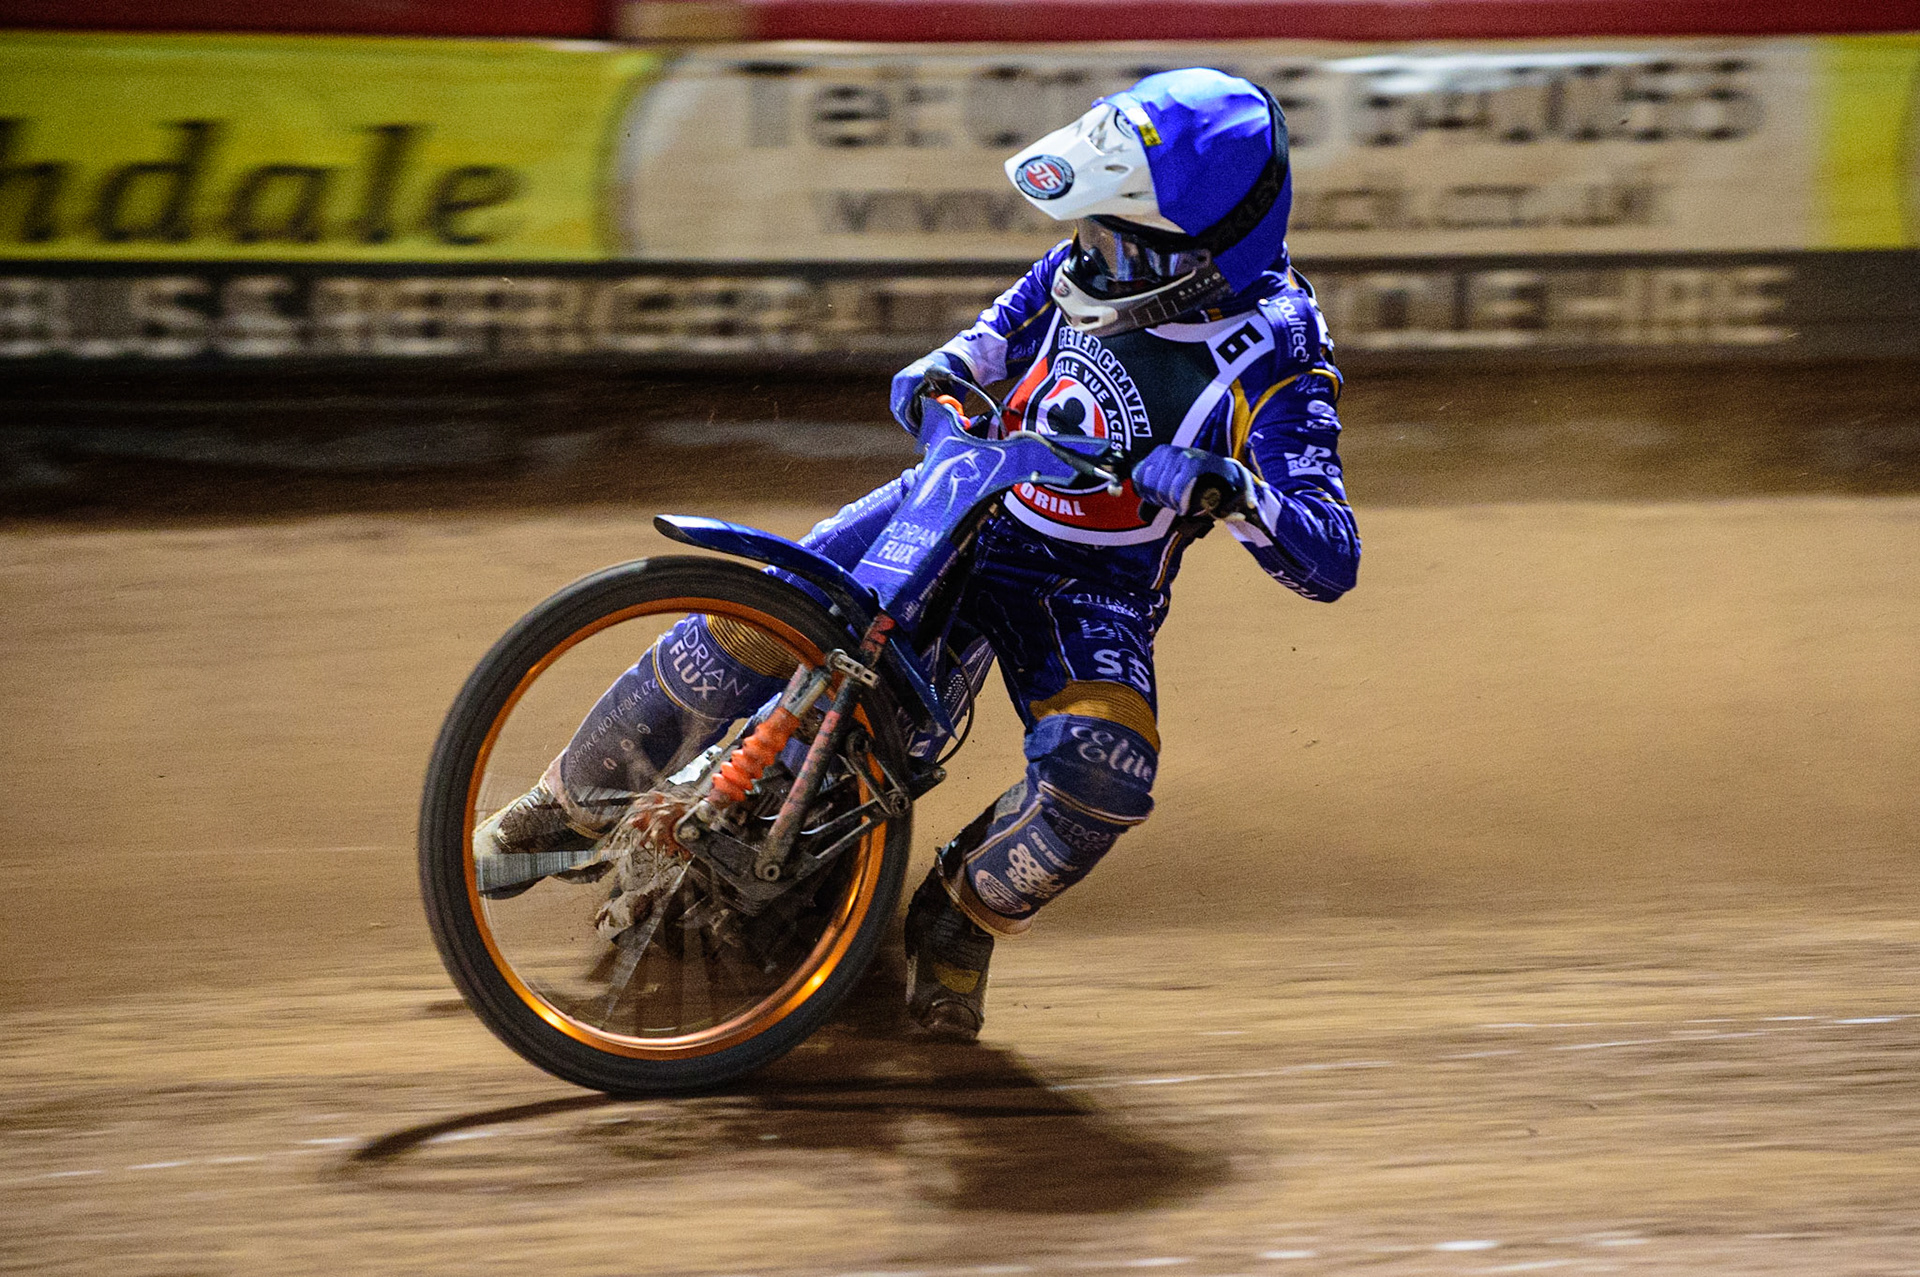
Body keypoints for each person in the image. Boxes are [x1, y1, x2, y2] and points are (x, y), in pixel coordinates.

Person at [476, 68, 1360, 1040]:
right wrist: (940, 376)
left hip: (1087, 586)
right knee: (762, 611)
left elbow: (1328, 553)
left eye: (1115, 235)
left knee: (1105, 773)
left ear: (1196, 251)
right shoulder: (1079, 272)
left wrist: (1228, 489)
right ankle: (571, 802)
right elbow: (981, 345)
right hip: (963, 494)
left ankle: (960, 911)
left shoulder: (1278, 348)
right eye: (1088, 230)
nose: (1088, 256)